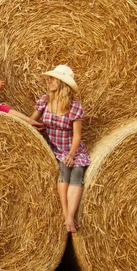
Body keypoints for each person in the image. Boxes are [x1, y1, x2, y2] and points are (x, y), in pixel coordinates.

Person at [29, 64, 91, 233]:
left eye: (53, 79)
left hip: (72, 148)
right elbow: (30, 122)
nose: (49, 81)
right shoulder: (44, 101)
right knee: (65, 169)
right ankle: (66, 215)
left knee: (77, 172)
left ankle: (70, 216)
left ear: (62, 83)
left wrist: (72, 154)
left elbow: (77, 135)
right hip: (55, 148)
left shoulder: (74, 106)